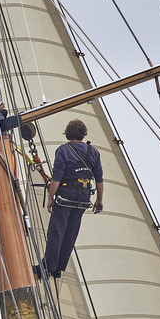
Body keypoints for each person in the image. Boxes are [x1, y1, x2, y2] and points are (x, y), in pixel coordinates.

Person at [39, 119, 103, 280]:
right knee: (70, 234)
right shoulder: (93, 152)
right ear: (83, 134)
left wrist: (50, 197)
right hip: (83, 198)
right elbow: (99, 179)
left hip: (65, 197)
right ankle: (58, 268)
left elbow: (57, 177)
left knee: (56, 232)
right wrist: (99, 200)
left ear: (68, 133)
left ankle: (47, 266)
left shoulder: (64, 150)